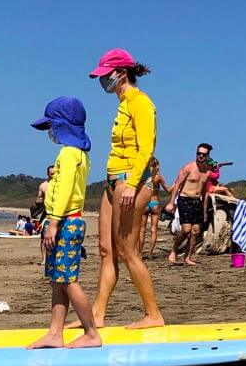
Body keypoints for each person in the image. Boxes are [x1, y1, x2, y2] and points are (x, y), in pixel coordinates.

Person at [68, 48, 164, 330]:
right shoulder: (122, 103)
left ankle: (153, 314)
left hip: (130, 183)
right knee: (106, 251)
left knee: (127, 251)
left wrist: (133, 184)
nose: (102, 81)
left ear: (121, 73)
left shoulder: (141, 103)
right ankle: (97, 314)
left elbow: (147, 147)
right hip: (112, 183)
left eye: (105, 76)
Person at [26, 96, 101, 349]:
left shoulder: (69, 153)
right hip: (65, 221)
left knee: (68, 280)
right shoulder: (77, 153)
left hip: (67, 222)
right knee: (58, 281)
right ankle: (55, 333)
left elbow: (66, 188)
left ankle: (91, 333)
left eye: (51, 127)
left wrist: (54, 222)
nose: (50, 132)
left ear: (62, 125)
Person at [165, 143, 212, 265]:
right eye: (198, 153)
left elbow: (205, 192)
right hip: (184, 199)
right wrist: (171, 203)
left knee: (195, 231)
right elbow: (176, 186)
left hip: (197, 201)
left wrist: (205, 209)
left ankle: (187, 257)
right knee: (186, 229)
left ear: (208, 156)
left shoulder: (207, 172)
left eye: (203, 154)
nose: (200, 156)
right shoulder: (188, 168)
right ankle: (174, 251)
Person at [138, 157, 171, 256]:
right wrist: (176, 185)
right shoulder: (158, 177)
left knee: (142, 229)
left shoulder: (144, 178)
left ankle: (140, 251)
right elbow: (168, 191)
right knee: (153, 229)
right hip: (155, 203)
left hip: (145, 203)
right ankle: (151, 252)